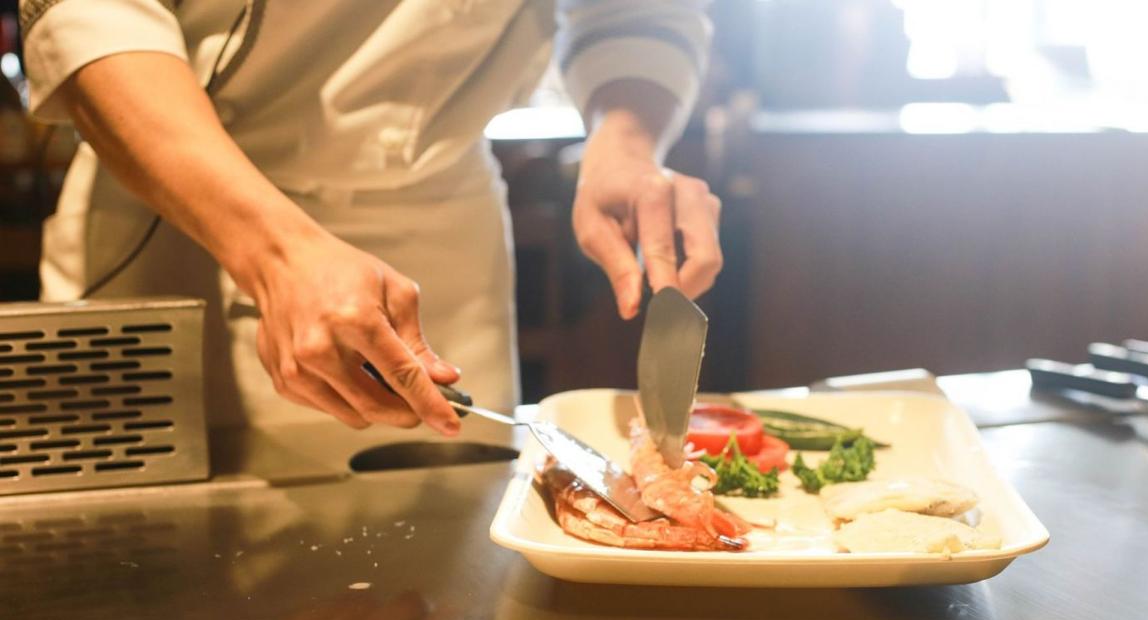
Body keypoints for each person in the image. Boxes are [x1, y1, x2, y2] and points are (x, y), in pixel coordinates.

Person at [19, 0, 722, 435]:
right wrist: (275, 255)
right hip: (184, 208)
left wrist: (625, 142)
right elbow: (86, 14)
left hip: (440, 231)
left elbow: (636, 12)